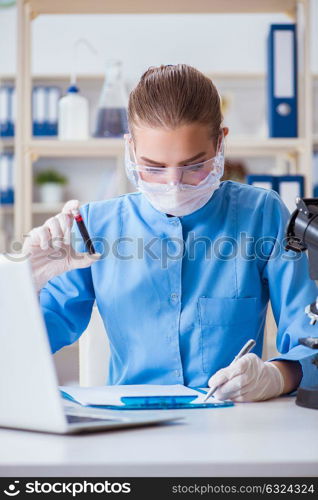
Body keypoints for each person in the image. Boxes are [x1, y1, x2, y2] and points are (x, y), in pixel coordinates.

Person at [22, 64, 318, 402]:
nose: (173, 185)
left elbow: (310, 339)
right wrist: (24, 286)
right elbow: (26, 349)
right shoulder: (93, 227)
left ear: (220, 143)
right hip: (126, 429)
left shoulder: (261, 215)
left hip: (233, 423)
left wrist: (276, 376)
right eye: (154, 167)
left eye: (193, 166)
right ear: (130, 148)